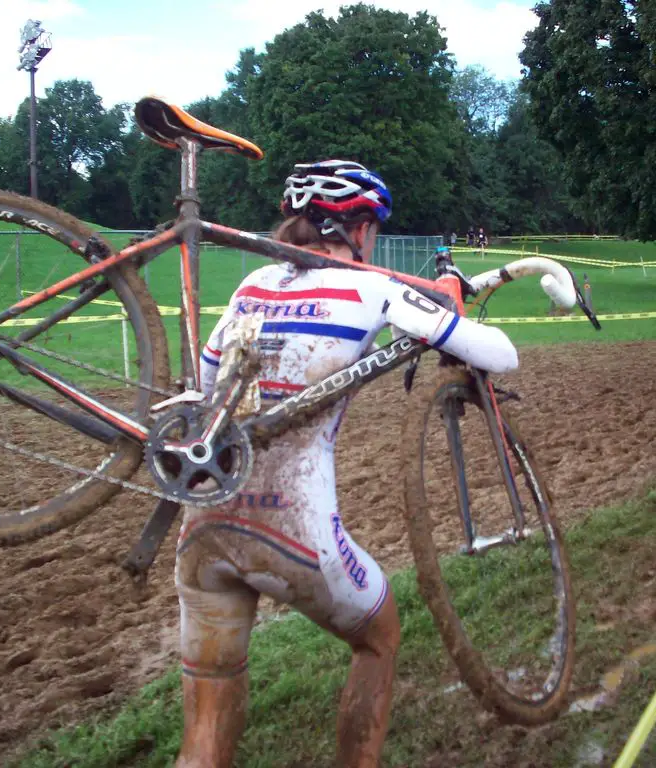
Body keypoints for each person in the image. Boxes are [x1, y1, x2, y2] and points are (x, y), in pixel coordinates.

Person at [176, 159, 518, 768]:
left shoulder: (250, 286)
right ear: (359, 229)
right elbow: (501, 353)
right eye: (375, 229)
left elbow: (204, 387)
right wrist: (448, 311)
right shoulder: (373, 286)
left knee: (202, 736)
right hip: (295, 528)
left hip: (204, 522)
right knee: (378, 638)